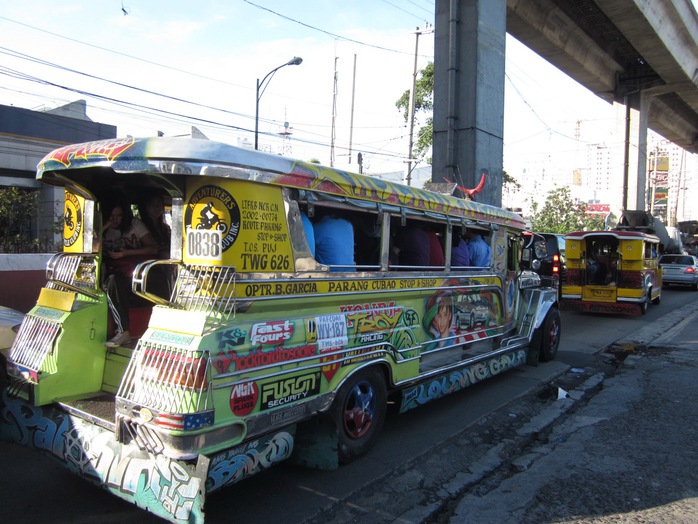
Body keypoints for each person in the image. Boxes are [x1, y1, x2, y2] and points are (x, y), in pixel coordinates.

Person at [102, 197, 157, 347]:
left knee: (116, 282)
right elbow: (89, 244)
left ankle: (123, 331)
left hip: (136, 273)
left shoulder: (134, 224)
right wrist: (105, 226)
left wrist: (125, 253)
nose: (115, 220)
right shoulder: (103, 228)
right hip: (113, 272)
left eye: (118, 216)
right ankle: (121, 331)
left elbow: (153, 248)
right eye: (111, 216)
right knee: (112, 281)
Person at [138, 191, 171, 259]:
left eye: (160, 203)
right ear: (145, 206)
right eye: (153, 203)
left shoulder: (166, 228)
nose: (157, 207)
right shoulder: (140, 227)